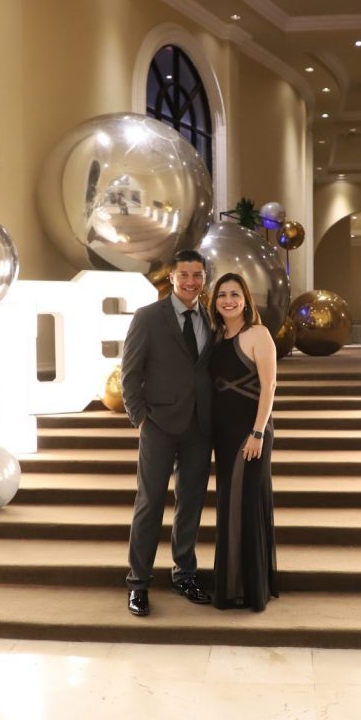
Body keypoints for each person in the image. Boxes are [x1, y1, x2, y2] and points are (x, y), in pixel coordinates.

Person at [120, 249, 214, 616]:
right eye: (184, 275)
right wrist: (141, 419)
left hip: (199, 426)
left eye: (197, 275)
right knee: (150, 502)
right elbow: (130, 373)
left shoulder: (212, 317)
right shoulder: (148, 317)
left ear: (204, 278)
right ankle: (138, 583)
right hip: (158, 425)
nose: (191, 281)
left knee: (190, 503)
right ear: (171, 277)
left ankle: (184, 574)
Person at [206, 272, 279, 611]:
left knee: (245, 503)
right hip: (223, 432)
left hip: (252, 432)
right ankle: (233, 583)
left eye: (235, 294)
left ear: (246, 300)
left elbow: (269, 386)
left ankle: (249, 590)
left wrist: (258, 432)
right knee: (229, 505)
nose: (228, 300)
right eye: (222, 294)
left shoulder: (258, 334)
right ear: (215, 302)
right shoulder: (215, 337)